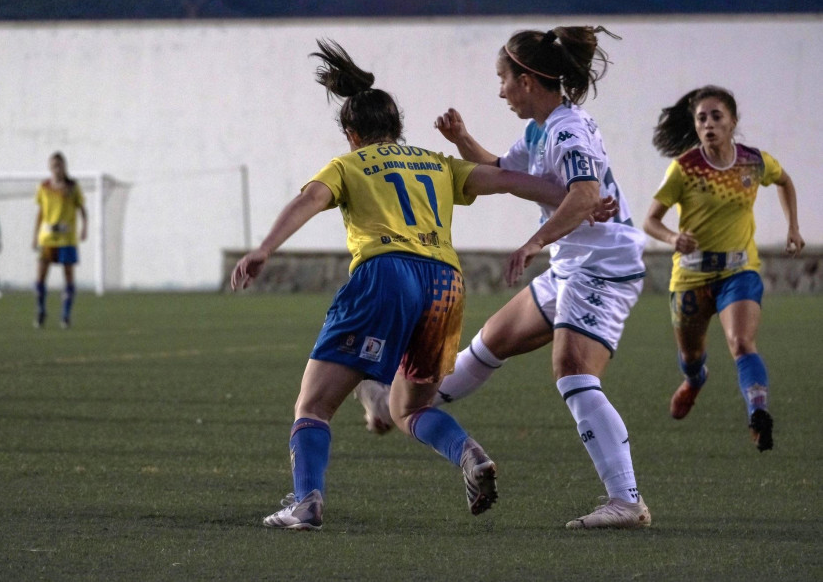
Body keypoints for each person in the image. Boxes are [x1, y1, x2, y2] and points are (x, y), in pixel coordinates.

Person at [229, 39, 606, 531]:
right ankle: (468, 453)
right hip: (445, 285)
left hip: (386, 275)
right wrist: (581, 199)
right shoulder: (436, 163)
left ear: (352, 134)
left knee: (314, 404)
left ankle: (306, 502)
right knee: (408, 406)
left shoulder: (348, 165)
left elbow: (310, 200)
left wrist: (263, 249)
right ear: (398, 127)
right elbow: (512, 181)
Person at [357, 26, 652, 530]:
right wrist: (461, 140)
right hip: (573, 264)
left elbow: (583, 194)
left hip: (600, 266)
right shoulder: (542, 130)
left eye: (504, 79)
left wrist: (534, 243)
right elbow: (502, 170)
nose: (500, 91)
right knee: (490, 342)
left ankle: (626, 501)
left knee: (573, 372)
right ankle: (400, 404)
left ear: (529, 80)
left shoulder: (566, 130)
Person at [643, 85, 804, 452]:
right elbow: (650, 221)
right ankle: (695, 379)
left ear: (733, 122)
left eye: (717, 116)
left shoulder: (753, 162)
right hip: (690, 278)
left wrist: (793, 226)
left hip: (739, 272)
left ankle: (758, 413)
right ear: (696, 127)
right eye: (702, 118)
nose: (709, 123)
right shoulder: (683, 169)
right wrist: (672, 238)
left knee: (742, 342)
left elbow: (784, 181)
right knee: (690, 356)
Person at [33, 151, 87, 329]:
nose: (57, 169)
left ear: (64, 166)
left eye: (60, 165)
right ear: (50, 167)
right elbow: (40, 212)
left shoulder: (72, 187)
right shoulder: (44, 187)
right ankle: (41, 311)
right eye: (54, 165)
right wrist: (35, 235)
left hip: (66, 238)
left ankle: (65, 315)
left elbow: (82, 209)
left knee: (68, 276)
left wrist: (84, 228)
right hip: (47, 237)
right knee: (40, 276)